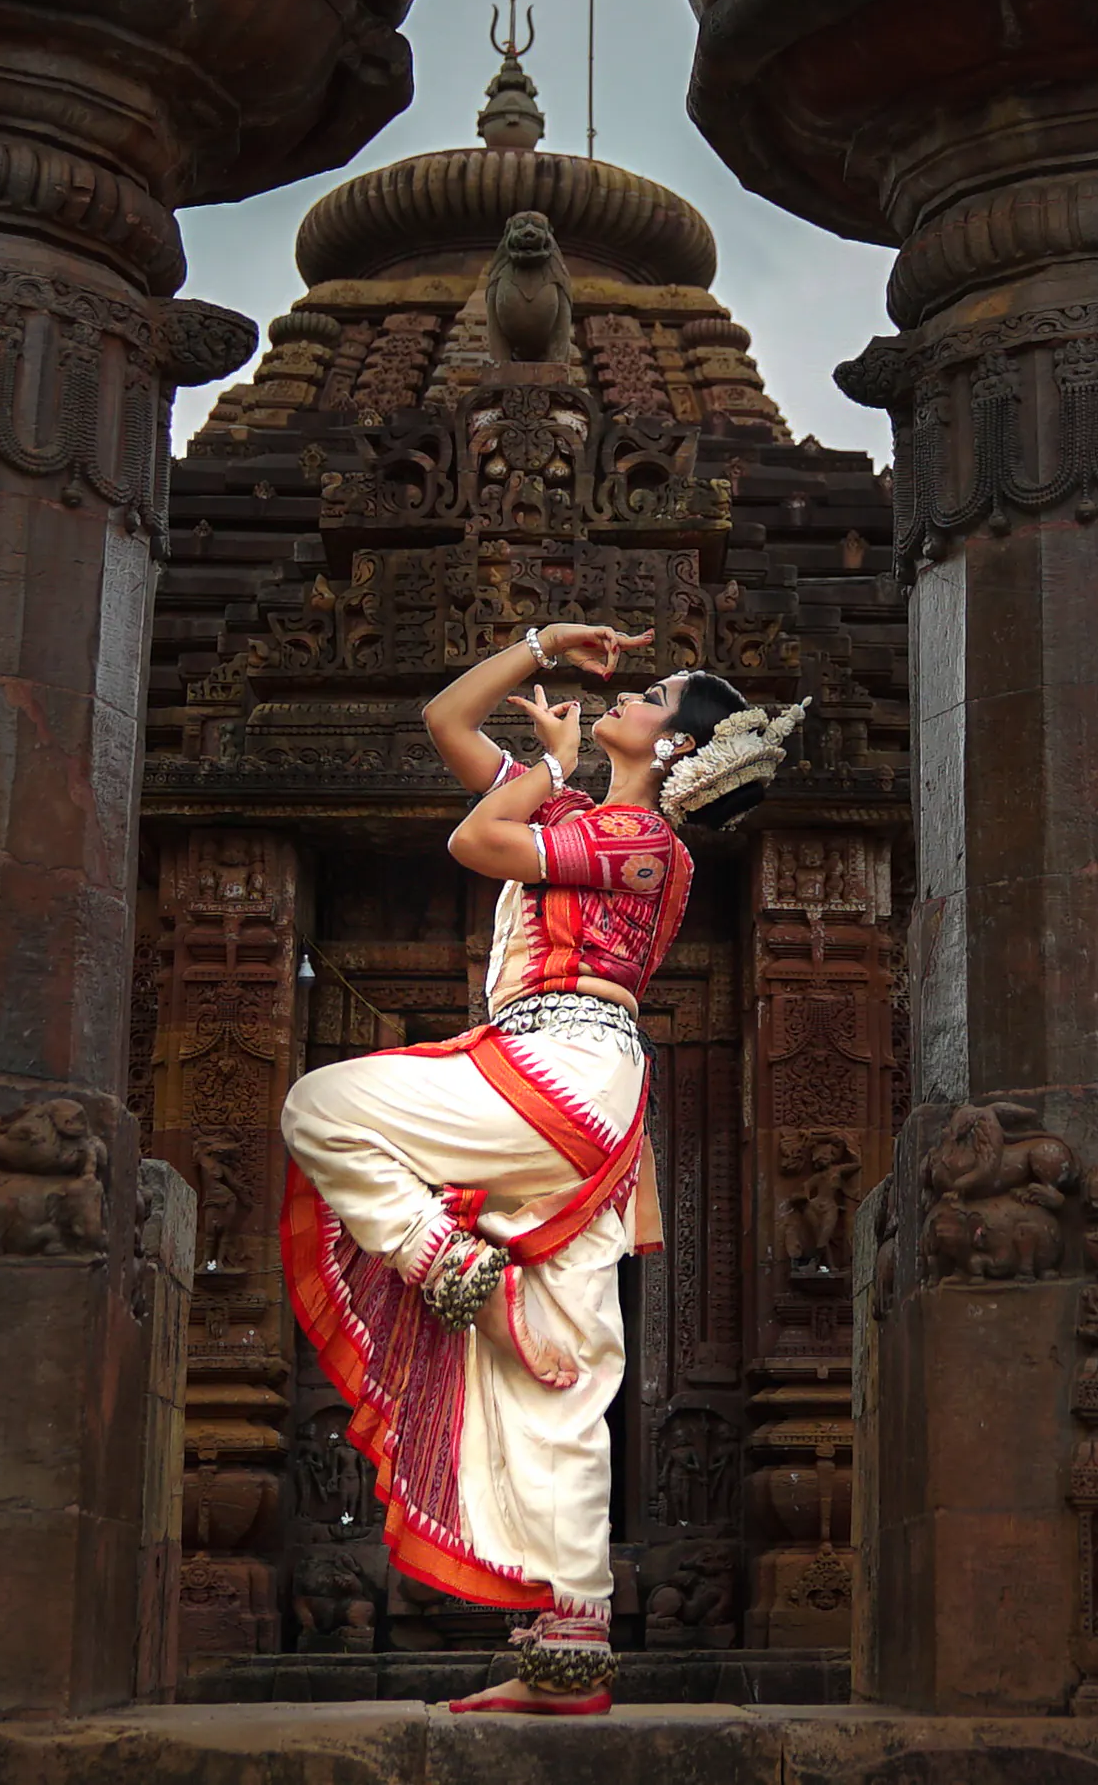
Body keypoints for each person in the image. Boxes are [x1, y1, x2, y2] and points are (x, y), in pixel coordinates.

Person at [280, 620, 801, 1715]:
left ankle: (449, 1266)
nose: (630, 696)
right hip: (567, 1083)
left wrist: (554, 768)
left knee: (322, 1106)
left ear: (677, 746)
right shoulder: (567, 812)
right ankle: (570, 1650)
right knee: (563, 1369)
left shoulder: (644, 842)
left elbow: (477, 844)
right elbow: (445, 719)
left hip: (564, 1063)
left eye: (655, 695)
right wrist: (538, 647)